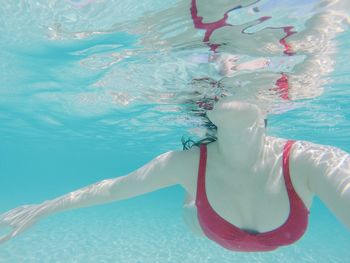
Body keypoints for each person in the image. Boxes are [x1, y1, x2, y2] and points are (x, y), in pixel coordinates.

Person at [0, 98, 349, 252]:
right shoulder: (183, 163)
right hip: (209, 227)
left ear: (267, 115)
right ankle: (193, 196)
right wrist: (44, 208)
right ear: (208, 111)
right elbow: (112, 190)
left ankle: (193, 196)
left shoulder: (310, 160)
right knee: (193, 215)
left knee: (194, 203)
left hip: (256, 228)